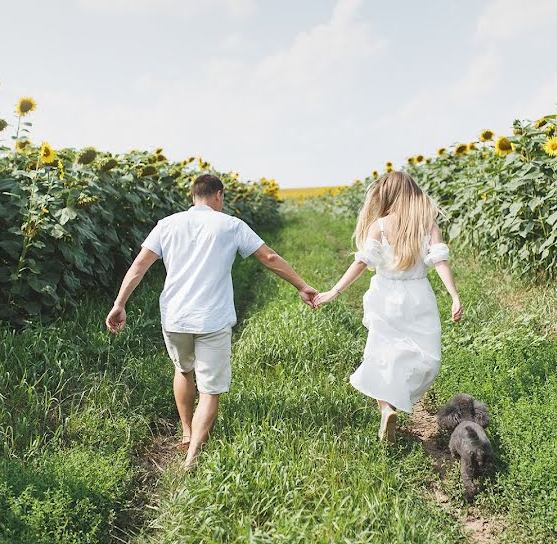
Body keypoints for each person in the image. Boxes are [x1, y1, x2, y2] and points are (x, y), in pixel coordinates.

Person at [106, 173, 318, 469]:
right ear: (218, 195)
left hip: (176, 317)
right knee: (210, 390)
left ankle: (186, 431)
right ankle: (193, 457)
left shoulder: (167, 225)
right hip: (212, 319)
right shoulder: (231, 225)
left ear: (194, 196)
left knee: (183, 369)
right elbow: (268, 258)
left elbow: (139, 265)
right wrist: (302, 286)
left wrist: (119, 304)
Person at [314, 171, 462, 442]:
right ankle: (397, 399)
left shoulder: (379, 226)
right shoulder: (426, 223)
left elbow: (362, 262)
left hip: (386, 295)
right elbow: (440, 261)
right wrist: (454, 295)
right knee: (424, 356)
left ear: (387, 195)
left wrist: (333, 292)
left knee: (383, 354)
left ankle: (386, 408)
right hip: (419, 295)